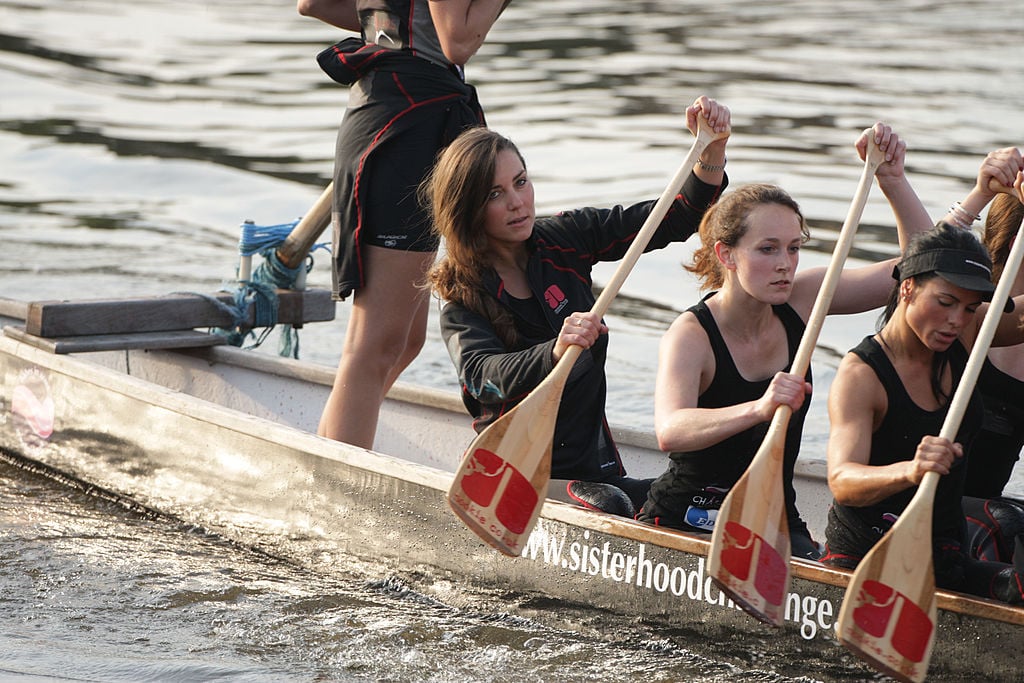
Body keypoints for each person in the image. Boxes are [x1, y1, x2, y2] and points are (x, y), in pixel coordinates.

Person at [424, 96, 732, 516]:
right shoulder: (460, 297)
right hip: (516, 473)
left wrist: (711, 150)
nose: (518, 202)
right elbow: (481, 379)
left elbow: (672, 218)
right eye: (495, 194)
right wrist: (553, 350)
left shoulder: (562, 239)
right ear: (466, 209)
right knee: (611, 503)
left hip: (594, 472)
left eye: (521, 181)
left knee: (711, 492)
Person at [636, 123, 927, 560]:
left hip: (773, 518)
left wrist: (894, 181)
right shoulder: (692, 333)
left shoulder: (805, 298)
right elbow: (671, 429)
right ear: (727, 255)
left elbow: (921, 268)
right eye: (768, 249)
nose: (785, 265)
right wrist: (759, 408)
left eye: (793, 248)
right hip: (690, 514)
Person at [298, 0, 509, 448]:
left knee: (404, 340)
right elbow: (457, 40)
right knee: (375, 345)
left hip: (401, 110)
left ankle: (337, 447)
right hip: (404, 124)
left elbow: (312, 3)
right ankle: (332, 484)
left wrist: (392, 25)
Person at [822, 214, 1024, 604]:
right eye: (945, 302)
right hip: (867, 557)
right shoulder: (862, 374)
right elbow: (843, 481)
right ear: (908, 288)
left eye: (969, 308)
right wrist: (912, 471)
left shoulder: (965, 336)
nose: (956, 321)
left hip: (943, 557)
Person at [938, 149, 1024, 563]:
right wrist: (978, 194)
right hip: (921, 509)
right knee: (1005, 523)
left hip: (984, 519)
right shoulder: (964, 312)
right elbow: (922, 270)